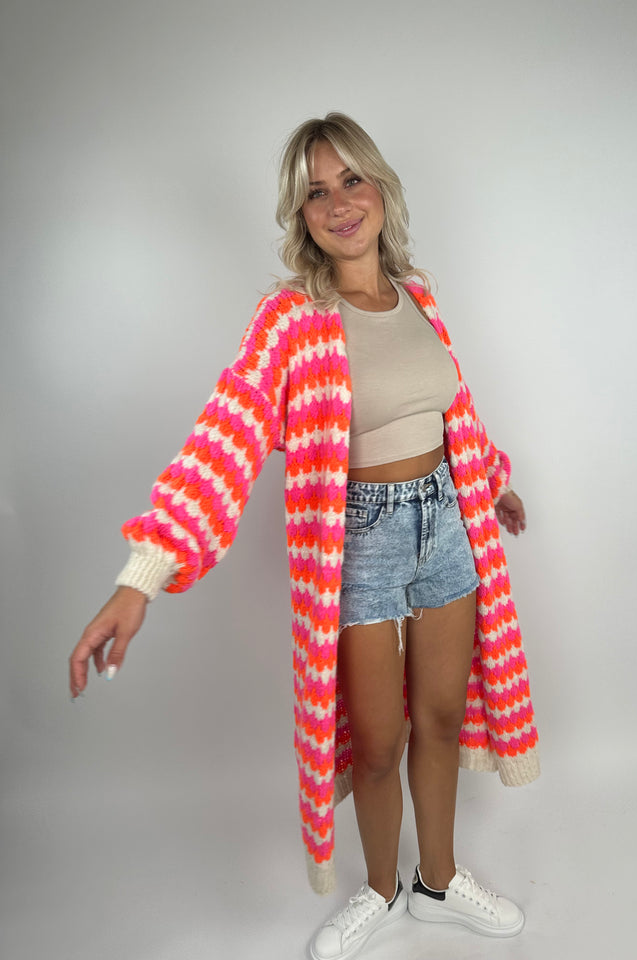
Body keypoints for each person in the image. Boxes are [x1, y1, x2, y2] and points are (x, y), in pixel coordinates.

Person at [69, 112, 540, 960]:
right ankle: (380, 888)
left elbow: (450, 406)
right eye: (317, 192)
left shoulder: (419, 295)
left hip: (450, 523)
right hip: (359, 540)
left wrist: (492, 479)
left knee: (440, 715)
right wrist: (142, 575)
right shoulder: (292, 319)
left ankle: (437, 881)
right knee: (377, 740)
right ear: (301, 215)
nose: (339, 203)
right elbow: (226, 433)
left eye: (351, 180)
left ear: (380, 187)